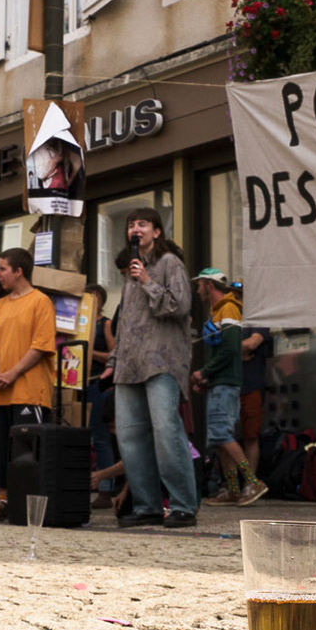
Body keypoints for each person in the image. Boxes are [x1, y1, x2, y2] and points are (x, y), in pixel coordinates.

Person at [112, 208, 199, 529]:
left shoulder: (169, 264)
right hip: (129, 364)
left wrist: (148, 281)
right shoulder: (130, 273)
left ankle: (183, 505)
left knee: (166, 431)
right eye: (132, 224)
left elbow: (180, 306)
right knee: (131, 436)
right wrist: (113, 360)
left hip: (161, 361)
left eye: (143, 224)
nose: (136, 229)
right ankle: (147, 505)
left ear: (157, 232)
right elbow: (126, 321)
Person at [0, 247, 56, 522]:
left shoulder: (40, 301)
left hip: (28, 391)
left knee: (27, 452)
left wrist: (11, 374)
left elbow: (41, 345)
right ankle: (1, 499)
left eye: (2, 269)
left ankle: (26, 504)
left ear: (19, 271)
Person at [190, 269, 266, 506]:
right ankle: (233, 489)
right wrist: (208, 378)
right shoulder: (218, 312)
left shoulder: (229, 309)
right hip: (219, 382)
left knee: (223, 434)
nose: (198, 290)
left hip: (226, 382)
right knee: (220, 438)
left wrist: (204, 371)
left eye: (200, 285)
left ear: (209, 285)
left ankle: (252, 481)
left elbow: (231, 348)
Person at [83, 283, 117, 506]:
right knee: (83, 437)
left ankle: (105, 488)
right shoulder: (80, 323)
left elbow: (113, 355)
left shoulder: (105, 324)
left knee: (100, 437)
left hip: (98, 383)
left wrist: (89, 353)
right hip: (79, 383)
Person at [240, 317, 272, 478]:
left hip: (251, 385)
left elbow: (253, 343)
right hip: (228, 385)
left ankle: (249, 483)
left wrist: (228, 352)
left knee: (250, 436)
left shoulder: (258, 319)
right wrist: (238, 352)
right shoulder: (226, 315)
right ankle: (230, 486)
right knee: (224, 438)